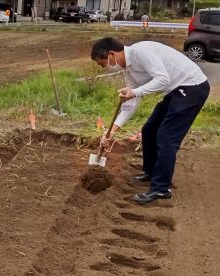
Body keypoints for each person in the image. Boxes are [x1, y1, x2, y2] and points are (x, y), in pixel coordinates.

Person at [90, 36, 210, 205]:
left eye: (102, 64)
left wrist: (135, 92)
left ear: (111, 54)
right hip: (176, 90)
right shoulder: (129, 70)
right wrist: (111, 132)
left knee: (166, 137)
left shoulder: (141, 52)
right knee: (149, 130)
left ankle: (161, 189)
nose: (104, 68)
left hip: (192, 88)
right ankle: (151, 172)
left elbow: (163, 80)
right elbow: (130, 104)